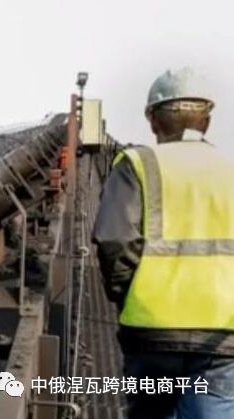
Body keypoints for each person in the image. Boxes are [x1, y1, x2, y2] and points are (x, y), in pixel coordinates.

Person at [92, 67, 234, 418]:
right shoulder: (229, 169)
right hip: (222, 338)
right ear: (207, 121)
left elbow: (114, 241)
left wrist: (128, 294)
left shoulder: (137, 165)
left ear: (153, 120)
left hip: (151, 331)